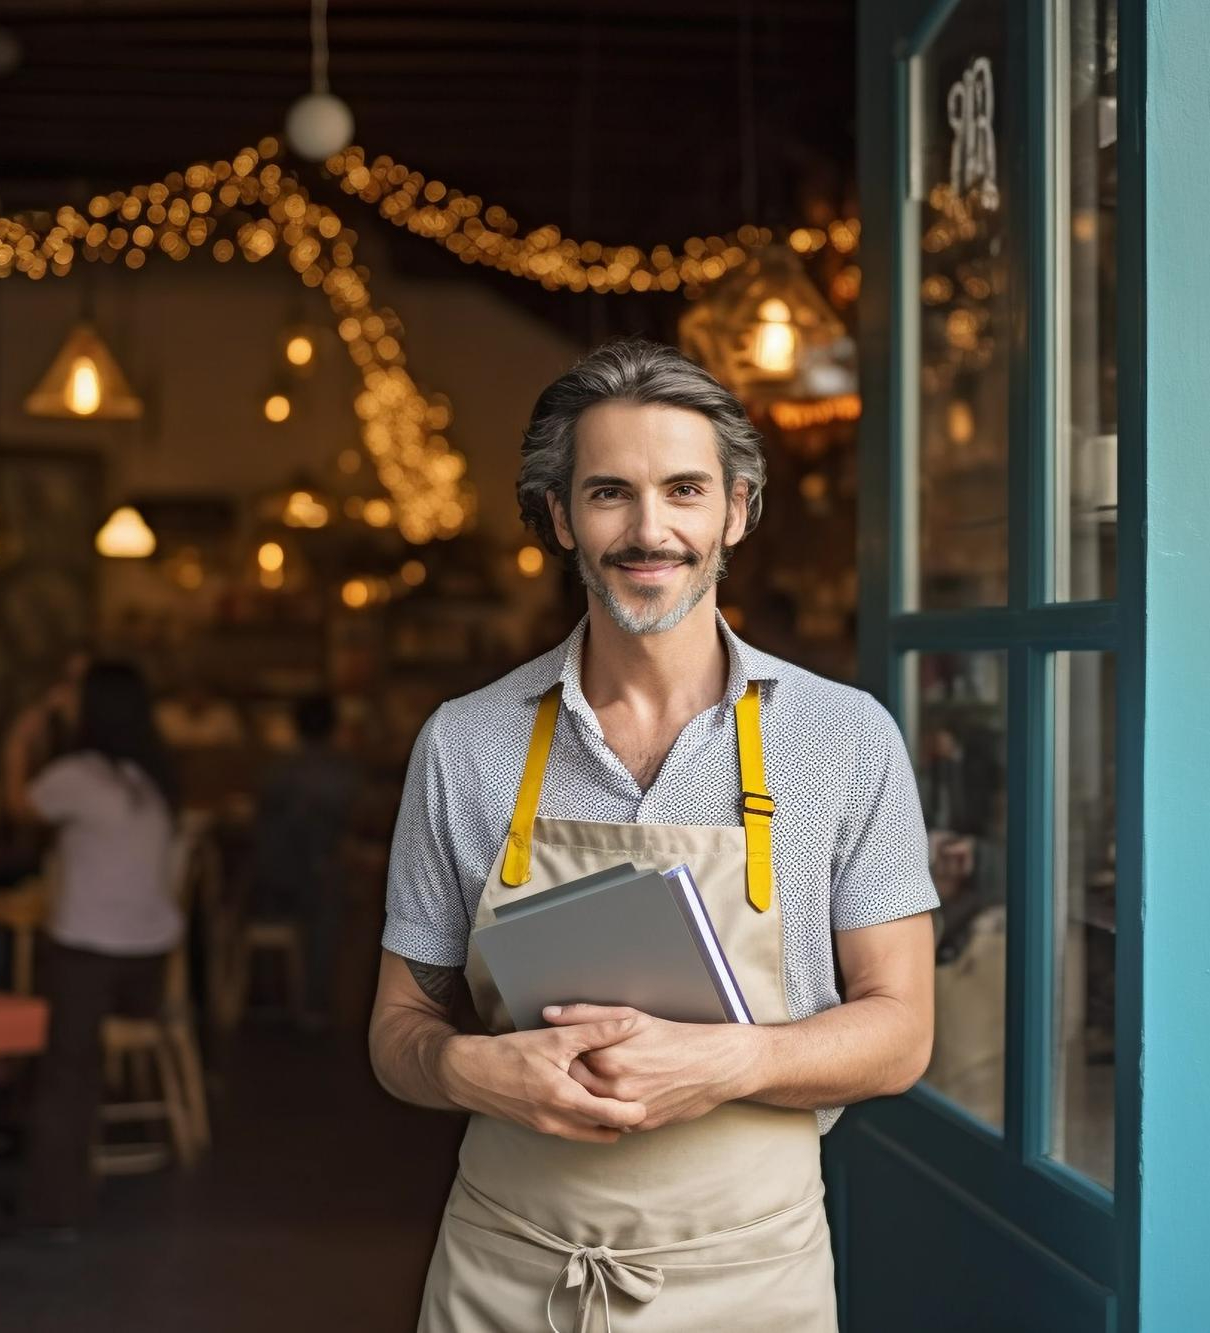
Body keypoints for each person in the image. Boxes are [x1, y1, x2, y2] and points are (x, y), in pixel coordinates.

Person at [367, 339, 937, 1331]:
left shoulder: (845, 738)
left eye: (682, 490)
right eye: (607, 494)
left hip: (752, 1277)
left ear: (736, 512)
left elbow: (900, 1032)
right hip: (511, 1273)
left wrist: (733, 1061)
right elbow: (395, 1028)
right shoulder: (464, 743)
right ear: (559, 517)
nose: (648, 529)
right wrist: (463, 1066)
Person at [1, 659, 183, 1235]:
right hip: (151, 970)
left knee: (64, 1068)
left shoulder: (78, 775)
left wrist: (21, 734)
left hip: (95, 963)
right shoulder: (150, 778)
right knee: (59, 1040)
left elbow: (16, 807)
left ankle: (52, 1208)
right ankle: (27, 1142)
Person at [249, 694, 359, 1028]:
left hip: (273, 871)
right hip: (320, 869)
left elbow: (262, 814)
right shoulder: (345, 773)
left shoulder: (278, 769)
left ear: (296, 726)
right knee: (326, 919)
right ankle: (314, 1004)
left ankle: (266, 996)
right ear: (334, 727)